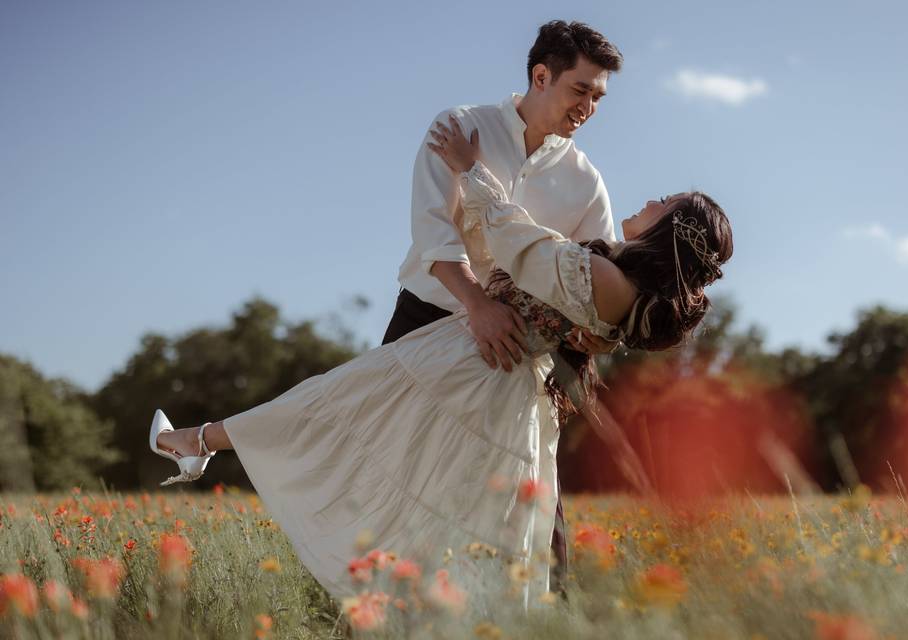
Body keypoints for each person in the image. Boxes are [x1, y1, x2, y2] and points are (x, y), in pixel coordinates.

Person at [148, 121, 733, 614]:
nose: (652, 200)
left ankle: (193, 443)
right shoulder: (630, 294)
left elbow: (517, 239)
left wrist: (469, 167)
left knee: (329, 408)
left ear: (671, 229)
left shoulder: (607, 279)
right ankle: (198, 445)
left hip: (472, 362)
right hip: (514, 392)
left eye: (666, 202)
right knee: (466, 510)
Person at [384, 19, 624, 590]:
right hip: (427, 316)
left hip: (517, 349)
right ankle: (368, 613)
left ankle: (551, 618)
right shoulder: (460, 129)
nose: (589, 106)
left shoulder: (586, 183)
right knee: (394, 471)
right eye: (581, 89)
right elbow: (433, 235)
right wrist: (476, 305)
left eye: (598, 96)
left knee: (534, 494)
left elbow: (598, 275)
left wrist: (590, 333)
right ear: (541, 75)